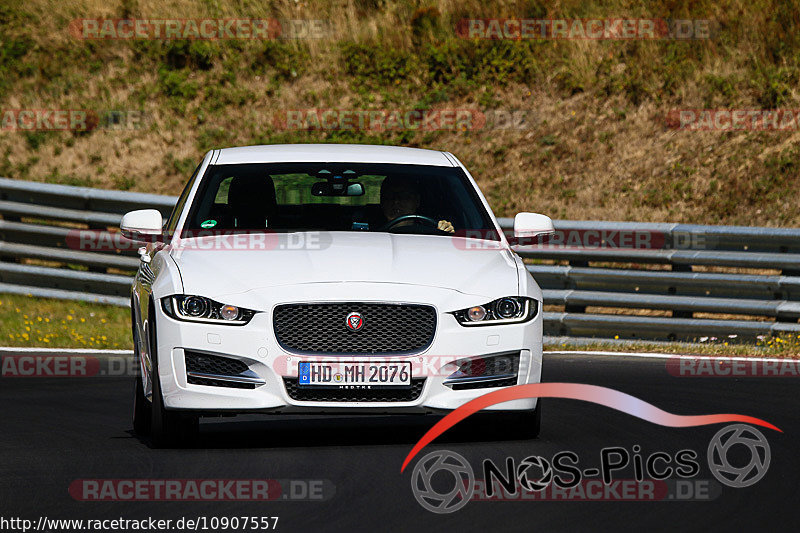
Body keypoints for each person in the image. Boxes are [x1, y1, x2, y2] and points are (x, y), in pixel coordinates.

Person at [379, 175, 454, 233]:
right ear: (382, 202)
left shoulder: (433, 230)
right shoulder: (369, 233)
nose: (396, 201)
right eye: (389, 196)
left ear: (417, 201)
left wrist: (445, 231)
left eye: (404, 196)